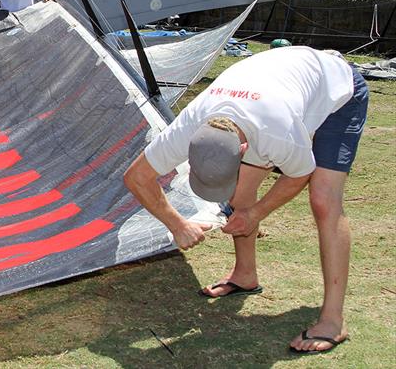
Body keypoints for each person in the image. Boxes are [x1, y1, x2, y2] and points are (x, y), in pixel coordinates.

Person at [123, 46, 368, 354]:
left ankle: (333, 320)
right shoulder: (189, 125)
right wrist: (177, 223)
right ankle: (245, 274)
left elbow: (298, 176)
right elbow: (136, 177)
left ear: (242, 151)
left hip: (338, 91)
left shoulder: (278, 133)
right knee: (240, 194)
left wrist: (256, 213)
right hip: (271, 91)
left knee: (323, 200)